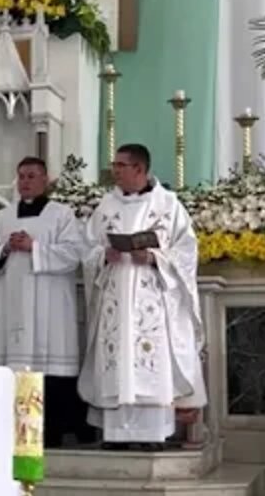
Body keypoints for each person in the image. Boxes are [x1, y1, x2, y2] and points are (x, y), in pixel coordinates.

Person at [77, 144, 205, 450]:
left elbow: (187, 251)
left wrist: (153, 258)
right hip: (115, 297)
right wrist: (102, 255)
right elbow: (86, 247)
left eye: (121, 165)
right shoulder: (106, 206)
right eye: (115, 165)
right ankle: (117, 435)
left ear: (139, 169)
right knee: (116, 360)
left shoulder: (168, 205)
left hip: (152, 297)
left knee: (149, 361)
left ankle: (151, 435)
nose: (115, 171)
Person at [0, 157, 90, 446]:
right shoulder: (2, 218)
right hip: (12, 305)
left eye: (31, 176)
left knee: (51, 369)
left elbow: (75, 254)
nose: (25, 181)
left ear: (45, 180)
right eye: (21, 176)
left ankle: (51, 434)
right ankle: (18, 435)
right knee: (15, 369)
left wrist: (34, 247)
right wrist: (5, 248)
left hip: (50, 306)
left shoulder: (62, 215)